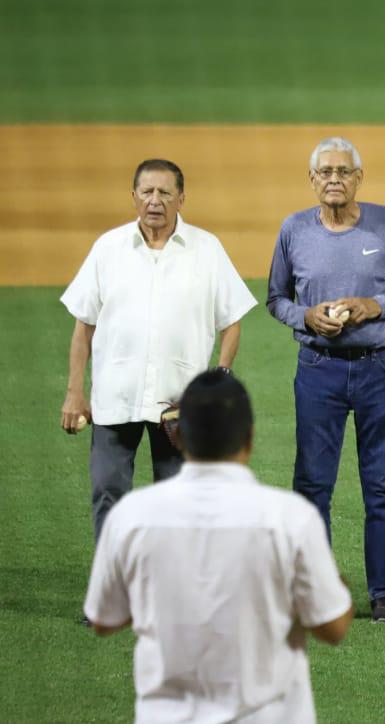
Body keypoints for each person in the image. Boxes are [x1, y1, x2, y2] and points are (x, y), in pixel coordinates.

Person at [84, 370, 354, 723]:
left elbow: (104, 619)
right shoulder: (290, 519)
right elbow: (332, 627)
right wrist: (336, 585)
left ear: (177, 435)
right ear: (250, 438)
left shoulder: (131, 517)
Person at [59, 159, 256, 567]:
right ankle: (113, 591)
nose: (155, 201)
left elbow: (232, 321)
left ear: (181, 198)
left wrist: (219, 376)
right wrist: (74, 393)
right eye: (147, 192)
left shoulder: (207, 248)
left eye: (165, 193)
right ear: (133, 197)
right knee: (109, 494)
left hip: (179, 405)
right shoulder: (108, 248)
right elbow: (83, 329)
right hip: (116, 398)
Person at [267, 137, 385, 624]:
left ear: (359, 177)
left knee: (383, 484)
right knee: (312, 484)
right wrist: (307, 317)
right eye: (325, 172)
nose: (334, 179)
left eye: (343, 171)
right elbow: (275, 299)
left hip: (383, 367)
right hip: (319, 369)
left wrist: (375, 305)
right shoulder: (294, 230)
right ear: (312, 181)